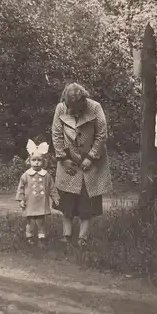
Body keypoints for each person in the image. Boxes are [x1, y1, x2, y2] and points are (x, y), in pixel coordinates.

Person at [51, 83, 112, 247]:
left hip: (91, 163)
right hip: (68, 161)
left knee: (87, 203)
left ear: (83, 101)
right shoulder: (60, 108)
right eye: (69, 106)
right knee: (67, 202)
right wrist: (63, 159)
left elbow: (102, 135)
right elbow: (56, 134)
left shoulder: (95, 108)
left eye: (76, 107)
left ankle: (82, 239)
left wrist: (91, 157)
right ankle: (66, 236)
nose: (72, 110)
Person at [16, 139, 59, 245]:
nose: (36, 162)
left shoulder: (46, 175)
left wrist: (55, 197)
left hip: (41, 203)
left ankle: (41, 238)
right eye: (34, 160)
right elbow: (20, 188)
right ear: (29, 161)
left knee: (41, 221)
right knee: (30, 221)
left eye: (39, 160)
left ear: (43, 162)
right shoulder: (26, 175)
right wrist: (21, 200)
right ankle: (29, 237)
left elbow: (51, 187)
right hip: (30, 202)